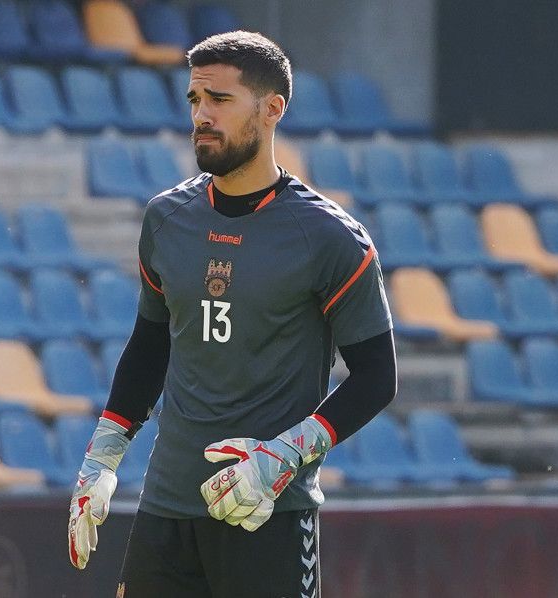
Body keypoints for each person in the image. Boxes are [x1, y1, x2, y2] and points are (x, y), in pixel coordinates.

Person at [68, 30, 398, 597]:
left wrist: (280, 460)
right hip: (166, 509)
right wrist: (99, 461)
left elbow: (377, 378)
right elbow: (150, 347)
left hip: (264, 513)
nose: (201, 115)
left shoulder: (330, 238)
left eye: (220, 100)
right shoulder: (167, 219)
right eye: (195, 100)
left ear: (272, 110)